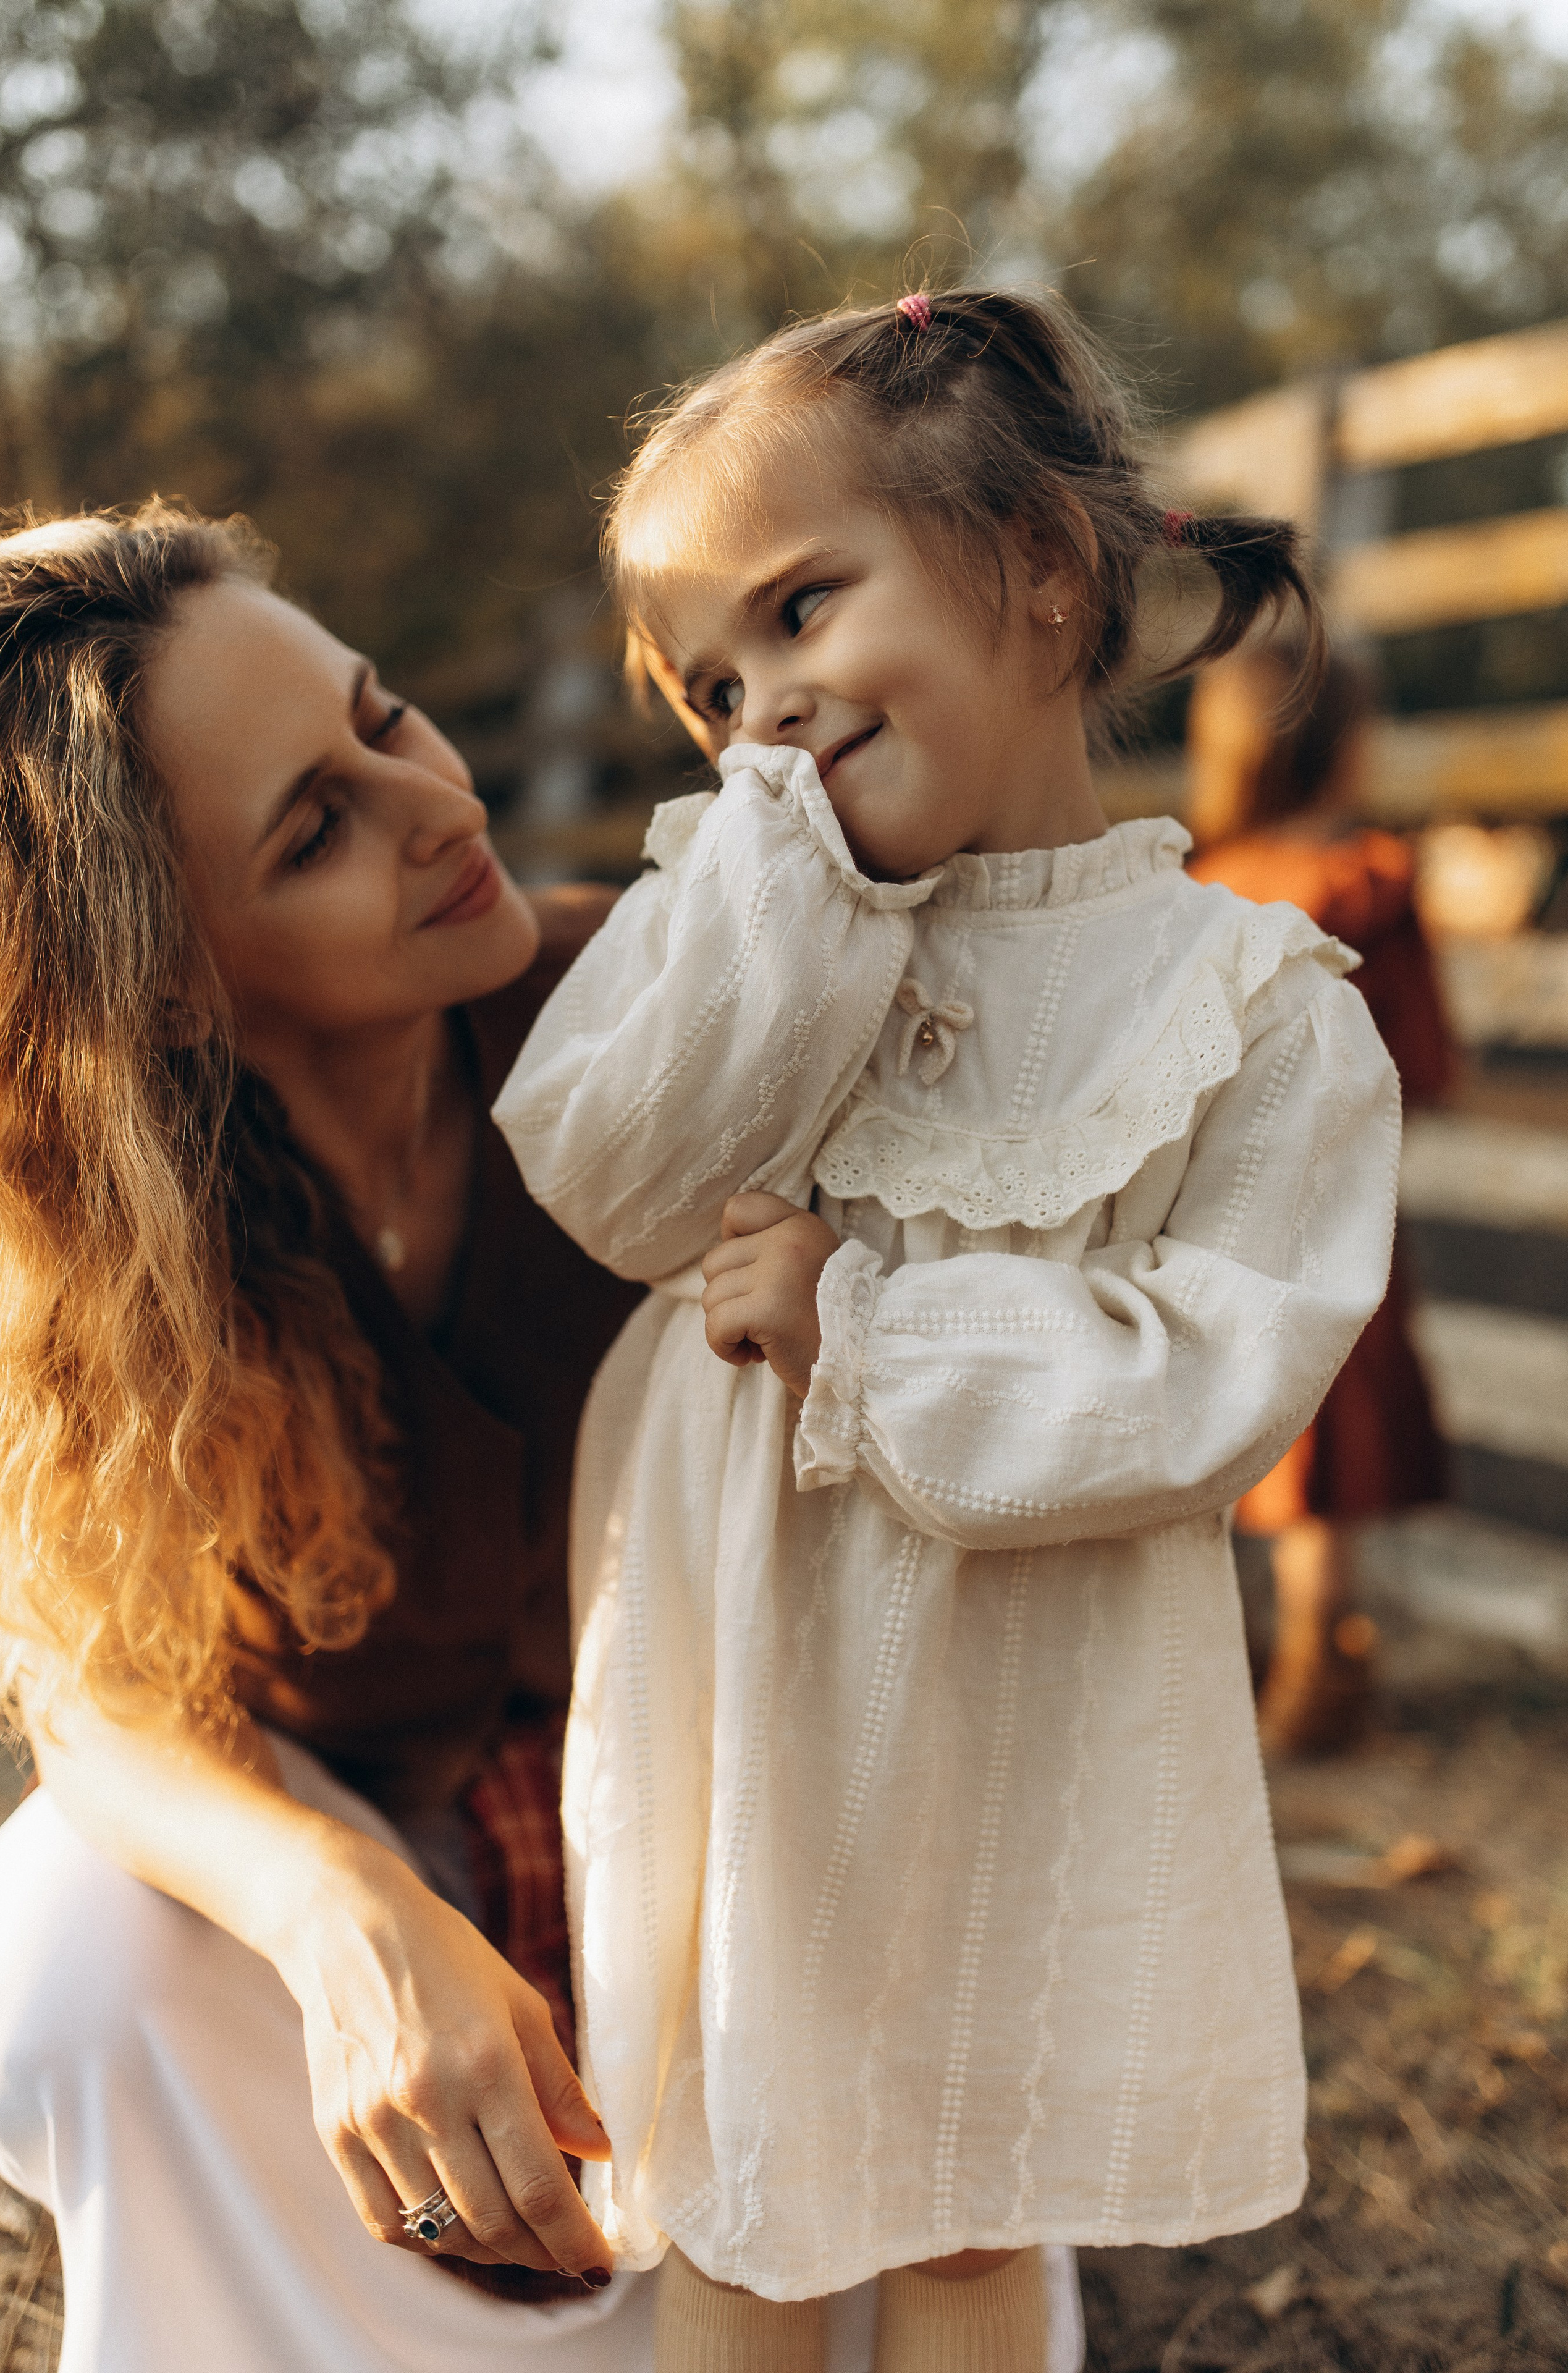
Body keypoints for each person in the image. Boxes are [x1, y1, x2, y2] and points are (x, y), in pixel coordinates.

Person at [495, 289, 1401, 2373]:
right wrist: (791, 901)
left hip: (1023, 1698)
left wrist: (872, 1324)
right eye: (714, 680)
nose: (768, 710)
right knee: (742, 2183)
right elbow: (610, 1181)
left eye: (808, 611)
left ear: (1042, 572)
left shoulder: (1256, 1012)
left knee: (970, 2202)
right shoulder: (722, 908)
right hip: (746, 1664)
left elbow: (1211, 1385)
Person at [0, 504, 657, 2373]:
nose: (430, 805)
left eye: (386, 718)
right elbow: (86, 1682)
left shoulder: (676, 1021)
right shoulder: (88, 1246)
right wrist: (339, 1905)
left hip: (732, 1812)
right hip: (394, 1843)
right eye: (314, 827)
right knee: (62, 1956)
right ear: (176, 979)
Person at [1185, 640, 1451, 1754]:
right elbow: (1427, 1065)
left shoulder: (1195, 895)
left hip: (1206, 1219)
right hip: (1332, 1209)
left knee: (1203, 1414)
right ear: (1342, 749)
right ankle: (1315, 1655)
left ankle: (1220, 1655)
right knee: (1325, 1447)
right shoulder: (1369, 891)